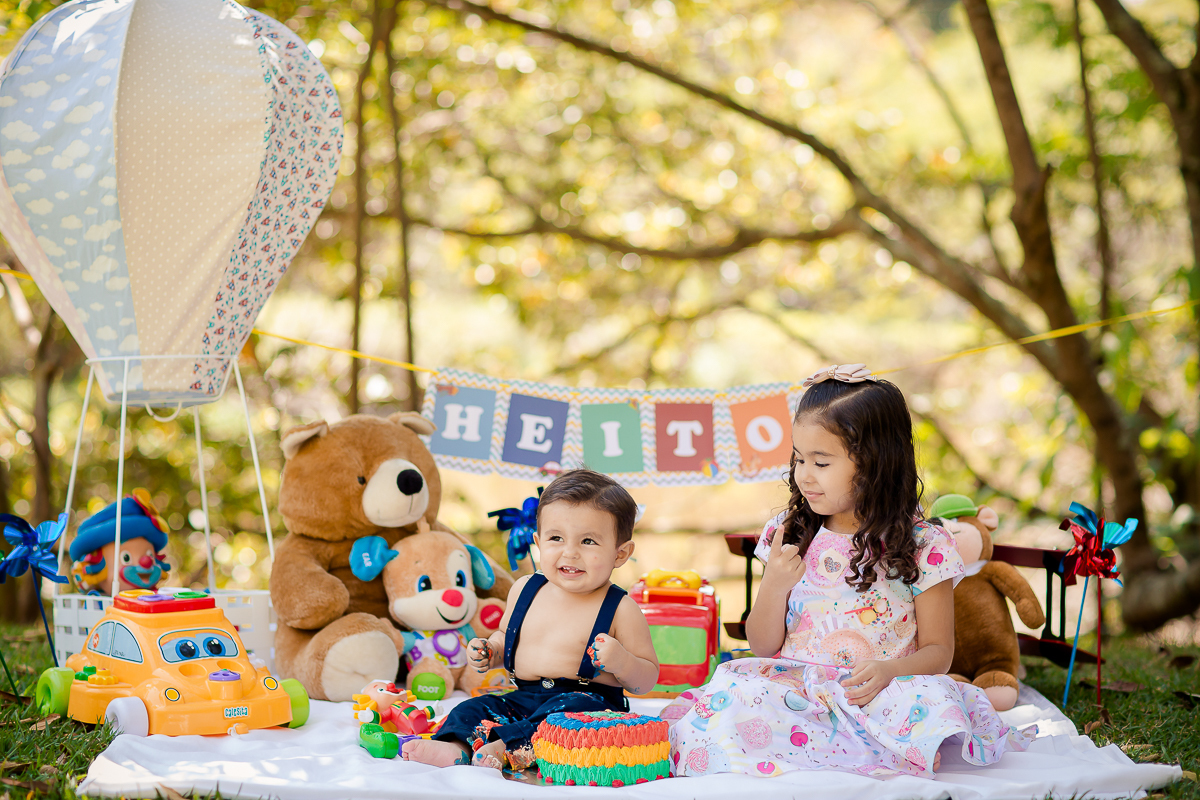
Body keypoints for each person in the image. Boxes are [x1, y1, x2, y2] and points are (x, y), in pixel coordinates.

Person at [665, 364, 1035, 778]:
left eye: (821, 463)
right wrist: (773, 585)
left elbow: (939, 652)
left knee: (933, 702)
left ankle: (848, 749)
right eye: (799, 459)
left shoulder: (925, 545)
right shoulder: (789, 534)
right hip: (800, 690)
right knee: (737, 694)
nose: (804, 475)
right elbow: (763, 646)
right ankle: (824, 748)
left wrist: (889, 671)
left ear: (875, 463)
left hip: (881, 690)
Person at [401, 468, 660, 770]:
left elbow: (647, 679)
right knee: (474, 707)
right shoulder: (525, 589)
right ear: (538, 541)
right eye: (556, 538)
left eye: (588, 541)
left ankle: (508, 748)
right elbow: (507, 637)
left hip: (586, 705)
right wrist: (492, 651)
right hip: (523, 699)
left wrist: (623, 662)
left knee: (567, 717)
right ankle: (455, 747)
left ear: (620, 553)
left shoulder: (621, 608)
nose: (570, 552)